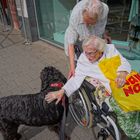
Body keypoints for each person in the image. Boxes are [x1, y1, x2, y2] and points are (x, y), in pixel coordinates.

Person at [45, 36, 140, 139]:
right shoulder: (84, 59)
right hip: (111, 89)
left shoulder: (110, 49)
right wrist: (62, 91)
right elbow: (76, 78)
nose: (87, 56)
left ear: (100, 50)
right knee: (126, 110)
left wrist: (122, 72)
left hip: (124, 82)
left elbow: (123, 61)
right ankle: (134, 134)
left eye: (90, 53)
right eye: (85, 52)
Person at [64, 0, 111, 79]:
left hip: (92, 42)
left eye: (89, 23)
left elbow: (101, 27)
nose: (86, 25)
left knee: (93, 66)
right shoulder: (75, 17)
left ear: (97, 19)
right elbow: (71, 45)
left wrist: (104, 34)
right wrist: (72, 67)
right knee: (76, 69)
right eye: (85, 21)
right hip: (76, 41)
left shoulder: (104, 10)